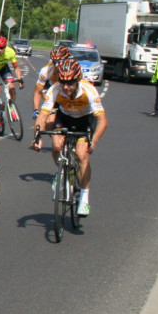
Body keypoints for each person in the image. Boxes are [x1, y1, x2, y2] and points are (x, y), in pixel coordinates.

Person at [31, 59, 108, 216]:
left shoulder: (89, 91)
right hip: (64, 117)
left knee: (81, 155)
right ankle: (63, 173)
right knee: (57, 147)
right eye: (63, 82)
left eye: (70, 83)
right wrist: (37, 137)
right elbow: (42, 116)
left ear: (78, 80)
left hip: (85, 120)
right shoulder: (55, 89)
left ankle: (84, 200)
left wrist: (94, 140)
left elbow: (102, 121)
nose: (66, 87)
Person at [31, 46, 72, 118]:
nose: (56, 65)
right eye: (54, 61)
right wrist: (36, 110)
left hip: (70, 94)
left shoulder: (74, 70)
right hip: (54, 92)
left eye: (59, 62)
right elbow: (38, 92)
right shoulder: (46, 71)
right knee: (48, 118)